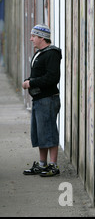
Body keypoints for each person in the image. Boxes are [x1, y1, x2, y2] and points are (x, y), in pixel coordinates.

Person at [22, 24, 62, 177]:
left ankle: (53, 166)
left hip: (48, 99)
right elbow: (40, 75)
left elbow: (52, 77)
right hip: (39, 99)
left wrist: (31, 83)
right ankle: (42, 164)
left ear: (42, 37)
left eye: (34, 36)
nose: (31, 39)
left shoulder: (52, 53)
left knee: (49, 132)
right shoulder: (40, 53)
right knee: (40, 134)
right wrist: (29, 80)